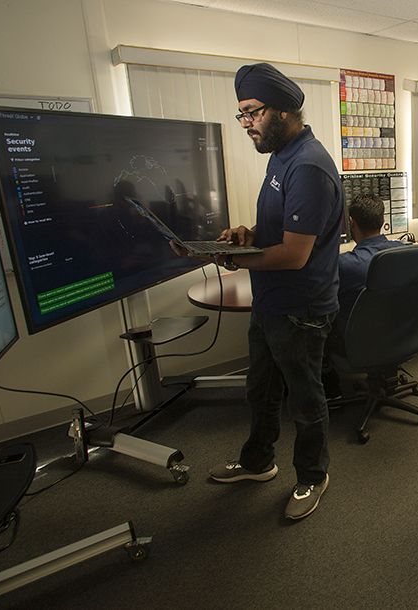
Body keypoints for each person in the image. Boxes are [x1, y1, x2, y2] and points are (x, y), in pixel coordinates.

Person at [170, 62, 342, 520]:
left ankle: (312, 476)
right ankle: (257, 463)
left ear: (283, 110)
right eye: (241, 114)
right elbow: (277, 234)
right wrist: (247, 237)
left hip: (300, 308)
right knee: (261, 391)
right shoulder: (281, 158)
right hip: (271, 304)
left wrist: (226, 260)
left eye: (253, 113)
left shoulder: (308, 165)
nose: (246, 124)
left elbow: (294, 255)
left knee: (305, 399)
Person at [336, 194, 405, 335]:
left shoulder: (344, 264)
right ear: (383, 221)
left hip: (356, 342)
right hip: (397, 336)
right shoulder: (404, 251)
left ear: (351, 222)